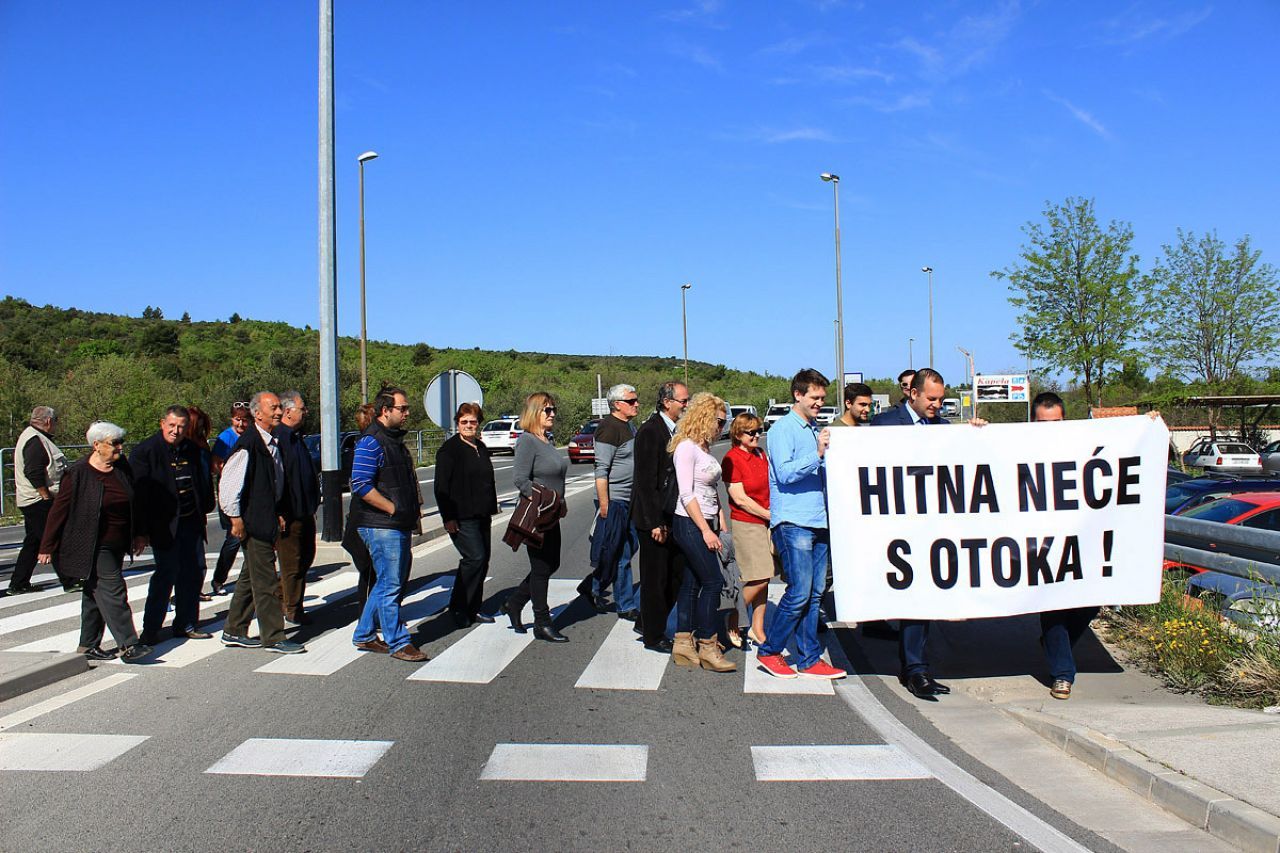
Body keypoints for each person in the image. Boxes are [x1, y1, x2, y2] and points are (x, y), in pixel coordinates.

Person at [871, 367, 986, 698]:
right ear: (913, 394)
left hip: (931, 528)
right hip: (896, 526)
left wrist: (975, 434)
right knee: (909, 596)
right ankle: (913, 668)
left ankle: (916, 668)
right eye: (932, 398)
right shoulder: (884, 425)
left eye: (941, 398)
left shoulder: (944, 428)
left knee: (924, 598)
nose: (938, 404)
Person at [755, 369, 847, 681]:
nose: (820, 402)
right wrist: (818, 456)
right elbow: (784, 473)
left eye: (823, 397)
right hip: (794, 521)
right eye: (815, 397)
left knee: (816, 593)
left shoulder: (813, 428)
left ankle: (809, 658)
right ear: (798, 395)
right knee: (799, 591)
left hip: (819, 520)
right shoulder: (783, 430)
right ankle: (770, 650)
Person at [37, 422, 151, 662]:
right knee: (113, 589)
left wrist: (140, 533)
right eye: (114, 443)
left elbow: (136, 501)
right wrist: (47, 545)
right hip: (92, 543)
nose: (120, 447)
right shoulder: (78, 472)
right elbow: (59, 509)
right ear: (96, 446)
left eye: (121, 442)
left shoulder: (122, 467)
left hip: (119, 541)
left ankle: (88, 645)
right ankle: (129, 645)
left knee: (94, 591)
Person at [218, 391, 305, 655]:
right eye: (274, 408)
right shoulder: (249, 444)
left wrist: (277, 509)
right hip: (253, 522)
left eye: (279, 407)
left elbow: (271, 482)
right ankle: (273, 636)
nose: (279, 412)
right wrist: (235, 519)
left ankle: (233, 629)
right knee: (266, 581)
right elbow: (228, 486)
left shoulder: (270, 441)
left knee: (250, 577)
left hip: (265, 518)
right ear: (258, 414)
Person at [1030, 391, 1101, 701]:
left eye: (1056, 422)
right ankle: (1062, 673)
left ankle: (1053, 643)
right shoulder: (1017, 446)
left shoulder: (1081, 443)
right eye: (1044, 423)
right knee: (1054, 608)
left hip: (1078, 536)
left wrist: (1149, 425)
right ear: (1033, 422)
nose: (1051, 429)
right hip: (1040, 542)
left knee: (1091, 600)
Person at [349, 386, 428, 661]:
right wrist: (392, 508)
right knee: (391, 584)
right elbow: (359, 483)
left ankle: (364, 634)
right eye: (402, 408)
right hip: (381, 524)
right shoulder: (372, 441)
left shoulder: (392, 440)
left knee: (386, 582)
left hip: (396, 523)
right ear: (386, 411)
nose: (407, 413)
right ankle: (398, 642)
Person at [131, 405, 214, 645]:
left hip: (191, 521)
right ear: (162, 424)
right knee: (166, 574)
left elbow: (204, 482)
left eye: (181, 427)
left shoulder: (193, 450)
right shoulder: (145, 451)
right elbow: (139, 496)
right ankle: (151, 628)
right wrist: (141, 532)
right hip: (163, 525)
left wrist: (204, 508)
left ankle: (186, 622)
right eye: (172, 426)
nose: (176, 431)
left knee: (193, 572)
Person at [668, 392, 736, 673]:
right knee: (712, 582)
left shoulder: (703, 449)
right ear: (705, 418)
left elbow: (709, 490)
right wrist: (706, 530)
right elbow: (686, 494)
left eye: (724, 422)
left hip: (706, 520)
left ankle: (683, 642)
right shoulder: (686, 448)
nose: (722, 427)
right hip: (690, 522)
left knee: (693, 583)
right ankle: (708, 645)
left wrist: (719, 519)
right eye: (719, 421)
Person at [502, 392, 571, 643]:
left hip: (552, 514)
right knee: (541, 568)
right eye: (547, 410)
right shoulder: (527, 441)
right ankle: (541, 622)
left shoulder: (546, 440)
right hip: (538, 514)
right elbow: (520, 479)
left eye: (553, 410)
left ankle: (514, 602)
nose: (552, 414)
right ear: (534, 413)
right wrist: (545, 498)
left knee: (552, 564)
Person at [631, 381, 689, 653]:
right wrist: (655, 522)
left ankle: (646, 620)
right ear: (667, 402)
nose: (685, 405)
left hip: (670, 514)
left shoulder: (674, 430)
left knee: (674, 573)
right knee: (655, 579)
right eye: (682, 400)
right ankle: (653, 636)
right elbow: (645, 481)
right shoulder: (651, 431)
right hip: (653, 518)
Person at [580, 383, 642, 620]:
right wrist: (605, 505)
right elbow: (601, 470)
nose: (636, 404)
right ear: (617, 404)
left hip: (629, 500)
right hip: (614, 501)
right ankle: (625, 605)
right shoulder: (608, 428)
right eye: (631, 401)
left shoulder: (629, 426)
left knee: (626, 548)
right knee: (622, 553)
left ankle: (593, 585)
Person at [435, 402, 498, 628]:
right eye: (464, 422)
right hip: (461, 516)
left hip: (482, 514)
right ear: (457, 424)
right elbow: (441, 487)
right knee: (474, 558)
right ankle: (458, 607)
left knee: (483, 562)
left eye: (472, 421)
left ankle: (474, 607)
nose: (468, 425)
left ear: (478, 423)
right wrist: (448, 517)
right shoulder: (449, 451)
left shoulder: (480, 447)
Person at [721, 412, 778, 646]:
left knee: (764, 576)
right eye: (751, 432)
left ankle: (757, 628)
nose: (756, 435)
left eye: (759, 431)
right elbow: (739, 498)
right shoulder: (731, 458)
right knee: (759, 577)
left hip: (766, 521)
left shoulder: (760, 454)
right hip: (747, 522)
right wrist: (768, 514)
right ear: (738, 434)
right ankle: (732, 618)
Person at [8, 406, 70, 594]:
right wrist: (45, 495)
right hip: (37, 500)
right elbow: (33, 471)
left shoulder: (34, 437)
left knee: (33, 541)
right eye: (56, 421)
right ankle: (70, 580)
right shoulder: (35, 440)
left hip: (32, 499)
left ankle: (19, 583)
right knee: (55, 537)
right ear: (48, 421)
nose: (57, 425)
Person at [275, 391, 320, 626]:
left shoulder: (296, 437)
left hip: (304, 511)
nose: (305, 412)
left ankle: (286, 600)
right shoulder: (279, 439)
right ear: (289, 411)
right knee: (292, 563)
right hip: (289, 514)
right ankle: (291, 608)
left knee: (305, 559)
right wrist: (279, 511)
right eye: (302, 408)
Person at [208, 403, 251, 596]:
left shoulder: (251, 435)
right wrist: (229, 475)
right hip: (231, 494)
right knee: (233, 539)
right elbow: (216, 463)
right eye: (237, 419)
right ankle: (218, 579)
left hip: (248, 493)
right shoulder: (226, 438)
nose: (241, 423)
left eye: (244, 420)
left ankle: (249, 578)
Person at [343, 403, 378, 608]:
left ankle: (375, 614)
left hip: (365, 520)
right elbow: (362, 486)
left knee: (374, 571)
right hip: (365, 520)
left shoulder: (366, 443)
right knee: (370, 570)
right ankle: (368, 619)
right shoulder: (367, 445)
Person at [183, 406, 215, 602]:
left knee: (197, 558)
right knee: (187, 558)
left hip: (199, 506)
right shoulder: (187, 449)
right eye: (198, 427)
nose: (201, 431)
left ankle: (193, 590)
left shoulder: (202, 446)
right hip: (188, 508)